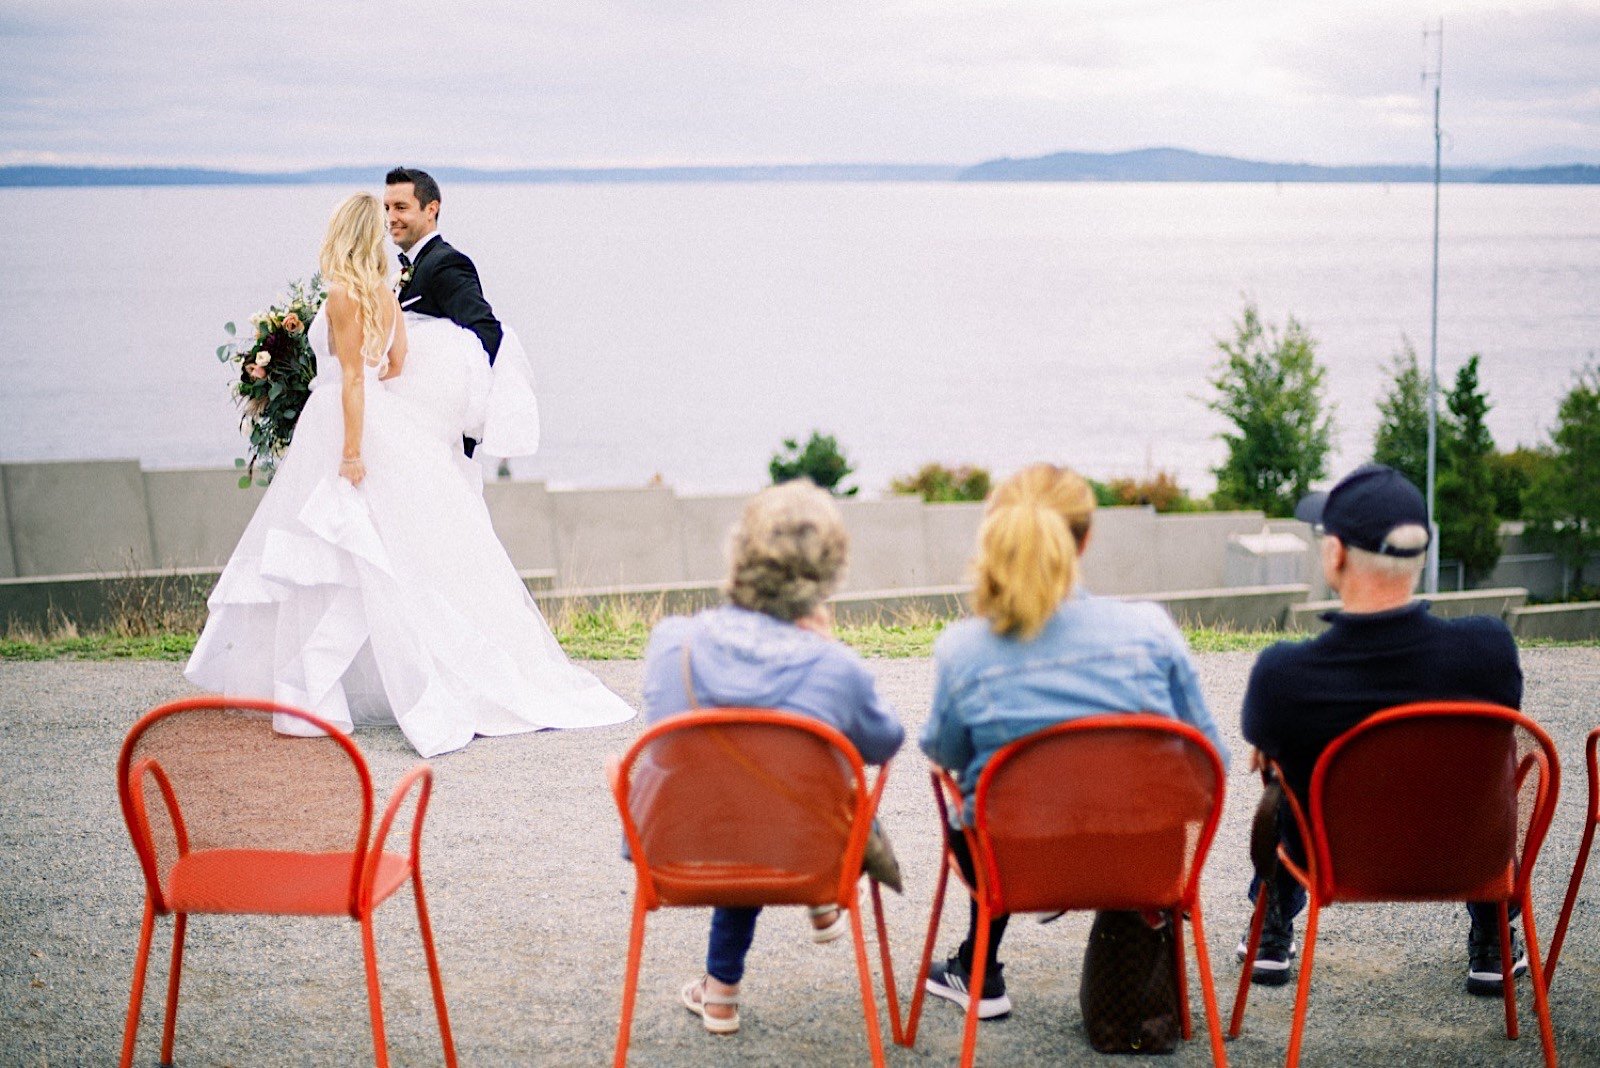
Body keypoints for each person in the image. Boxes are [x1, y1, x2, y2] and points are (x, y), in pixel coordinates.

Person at [185, 193, 634, 757]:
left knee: (339, 554)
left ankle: (311, 688)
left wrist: (350, 451)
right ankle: (313, 687)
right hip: (383, 421)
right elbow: (396, 363)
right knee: (361, 553)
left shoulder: (346, 294)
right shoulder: (383, 293)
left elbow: (351, 380)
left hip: (345, 427)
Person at [920, 463, 1227, 1021]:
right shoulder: (1150, 632)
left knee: (978, 794)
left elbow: (944, 754)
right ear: (1086, 540)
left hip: (1016, 864)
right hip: (1137, 865)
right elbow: (1211, 766)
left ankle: (978, 969)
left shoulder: (963, 652)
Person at [1238, 463, 1526, 995]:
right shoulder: (1490, 649)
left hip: (1334, 861)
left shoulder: (1284, 674)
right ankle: (1494, 935)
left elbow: (1266, 748)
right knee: (1486, 761)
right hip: (1468, 857)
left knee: (1280, 774)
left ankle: (1270, 924)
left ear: (1336, 554)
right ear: (1421, 557)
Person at [641, 480, 904, 1035]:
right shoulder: (837, 669)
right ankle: (825, 904)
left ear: (740, 552)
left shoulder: (672, 644)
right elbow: (886, 743)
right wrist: (825, 654)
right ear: (829, 571)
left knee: (741, 794)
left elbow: (661, 739)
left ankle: (720, 992)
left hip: (687, 848)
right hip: (804, 853)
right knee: (817, 777)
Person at [383, 166, 539, 461]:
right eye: (387, 208)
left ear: (431, 209)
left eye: (401, 207)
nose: (391, 218)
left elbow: (486, 331)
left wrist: (457, 417)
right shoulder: (413, 267)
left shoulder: (447, 264)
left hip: (439, 434)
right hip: (412, 426)